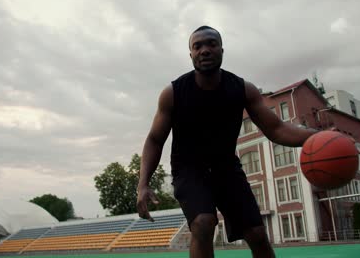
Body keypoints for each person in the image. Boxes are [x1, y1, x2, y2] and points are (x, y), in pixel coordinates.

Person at [136, 26, 318, 258]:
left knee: (257, 234)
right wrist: (143, 184)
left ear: (222, 49)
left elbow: (277, 129)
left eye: (211, 44)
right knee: (203, 223)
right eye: (197, 46)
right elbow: (154, 140)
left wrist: (319, 137)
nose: (204, 50)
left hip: (226, 169)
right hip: (188, 170)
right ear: (190, 54)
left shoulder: (242, 89)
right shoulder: (173, 93)